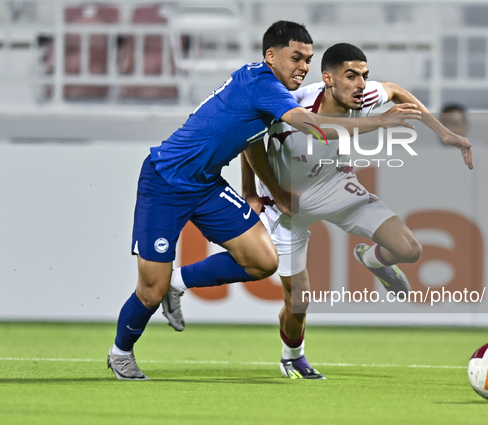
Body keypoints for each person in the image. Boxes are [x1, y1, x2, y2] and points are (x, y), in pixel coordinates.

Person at [108, 23, 423, 380]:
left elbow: (251, 140)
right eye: (295, 58)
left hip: (206, 184)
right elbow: (311, 125)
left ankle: (178, 282)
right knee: (150, 291)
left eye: (307, 58)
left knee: (263, 261)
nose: (303, 66)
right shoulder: (264, 86)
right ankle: (121, 353)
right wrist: (381, 122)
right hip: (165, 181)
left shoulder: (269, 91)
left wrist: (254, 190)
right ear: (270, 56)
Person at [164, 43, 474, 380]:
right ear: (328, 78)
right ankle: (292, 357)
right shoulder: (292, 104)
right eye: (351, 76)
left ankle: (372, 260)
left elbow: (397, 91)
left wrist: (444, 132)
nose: (361, 84)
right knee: (298, 300)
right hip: (287, 203)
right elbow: (251, 142)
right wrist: (259, 191)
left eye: (364, 76)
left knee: (409, 250)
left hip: (335, 186)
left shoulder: (363, 96)